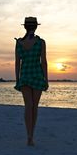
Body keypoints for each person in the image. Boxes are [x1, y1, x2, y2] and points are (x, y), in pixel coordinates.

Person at [14, 17, 48, 146]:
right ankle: (31, 136)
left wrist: (17, 79)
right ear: (36, 27)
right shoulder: (41, 42)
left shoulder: (19, 43)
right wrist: (46, 79)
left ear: (25, 27)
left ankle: (29, 135)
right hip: (38, 75)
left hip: (25, 76)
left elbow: (17, 63)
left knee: (28, 106)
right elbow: (43, 62)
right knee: (34, 107)